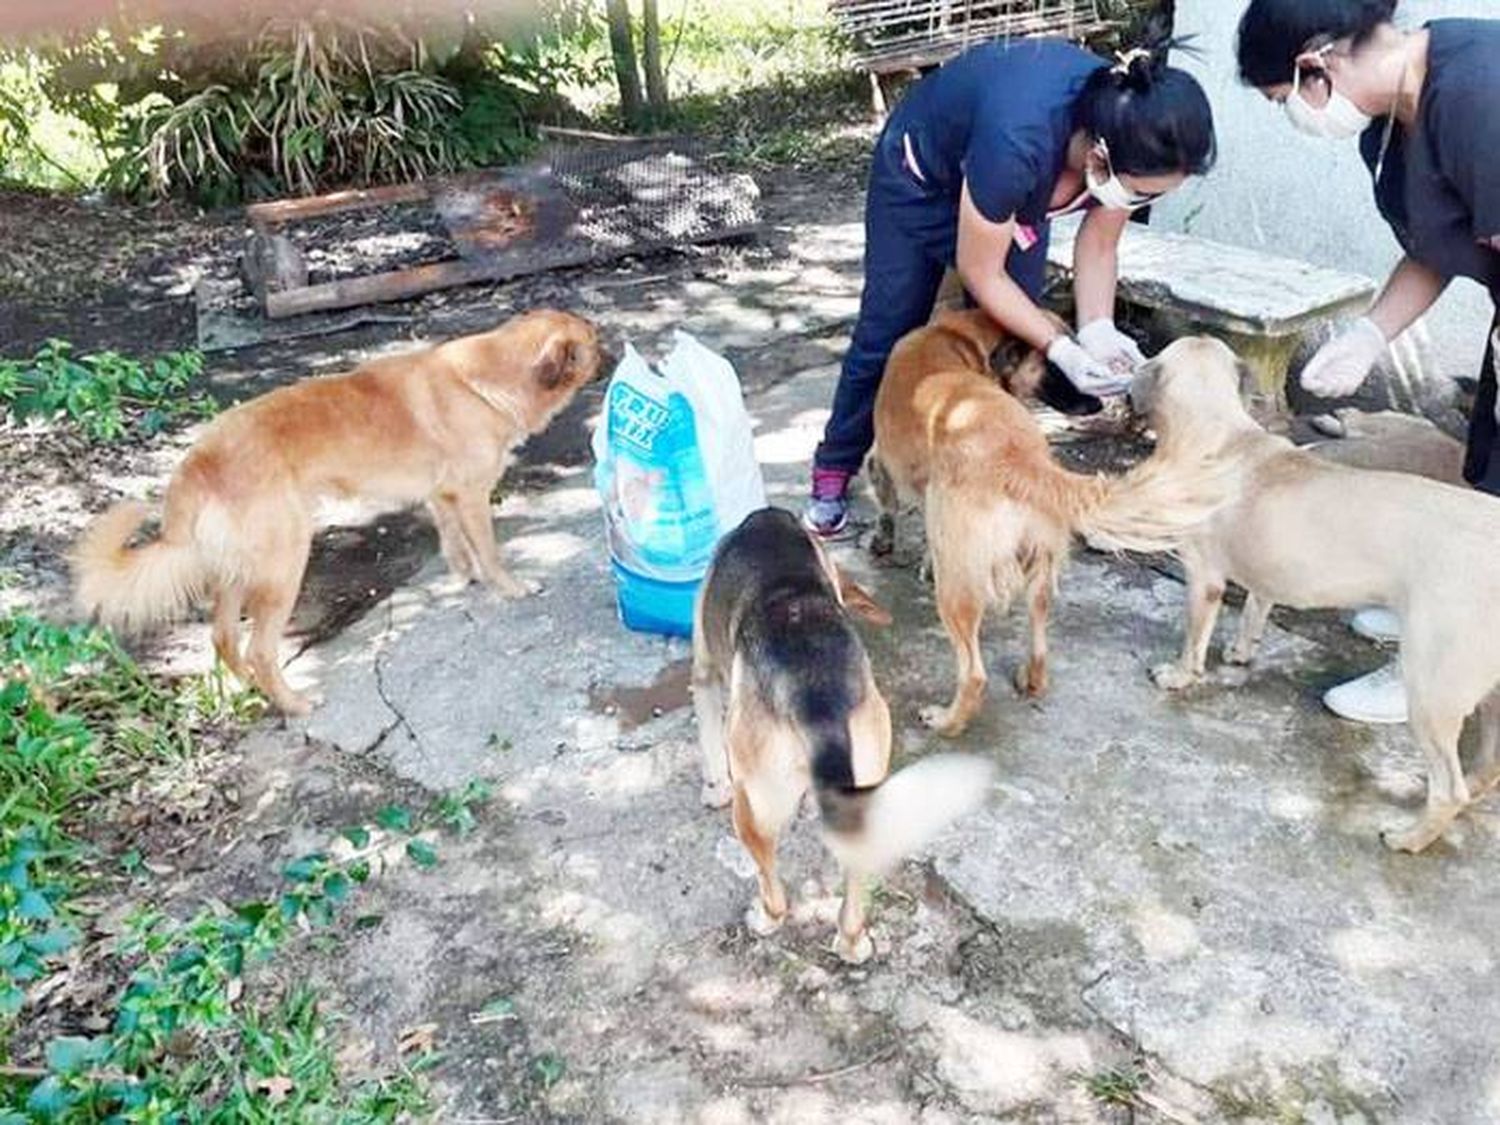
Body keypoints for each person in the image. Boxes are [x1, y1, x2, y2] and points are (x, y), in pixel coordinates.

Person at [802, 32, 1218, 538]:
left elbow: (1099, 247)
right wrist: (1061, 344)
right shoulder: (1018, 140)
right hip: (921, 183)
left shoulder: (1126, 137)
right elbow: (982, 272)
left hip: (1009, 202)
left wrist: (1098, 329)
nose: (1137, 200)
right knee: (889, 330)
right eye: (1139, 192)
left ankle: (993, 480)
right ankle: (834, 466)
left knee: (1016, 346)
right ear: (1100, 157)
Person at [1237, 0, 1500, 724]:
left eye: (1284, 99)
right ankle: (1442, 598)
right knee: (1486, 483)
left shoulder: (1480, 95)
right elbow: (1437, 241)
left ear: (1315, 65)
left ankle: (1441, 659)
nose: (1293, 117)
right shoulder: (1390, 121)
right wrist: (1371, 334)